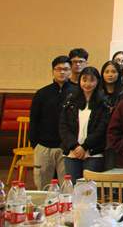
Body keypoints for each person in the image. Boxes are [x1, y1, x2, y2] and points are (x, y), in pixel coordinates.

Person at [30, 56, 77, 188]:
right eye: (58, 69)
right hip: (44, 147)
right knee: (42, 186)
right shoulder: (42, 93)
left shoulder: (77, 92)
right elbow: (34, 120)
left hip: (67, 148)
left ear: (70, 71)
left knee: (67, 188)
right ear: (53, 71)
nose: (62, 72)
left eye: (66, 69)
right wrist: (35, 144)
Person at [59, 66, 111, 180]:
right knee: (73, 186)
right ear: (80, 81)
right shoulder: (70, 101)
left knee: (89, 187)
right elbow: (63, 126)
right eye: (84, 80)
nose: (87, 84)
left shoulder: (103, 103)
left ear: (97, 82)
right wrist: (74, 146)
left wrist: (84, 146)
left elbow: (101, 129)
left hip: (93, 153)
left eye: (92, 80)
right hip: (72, 152)